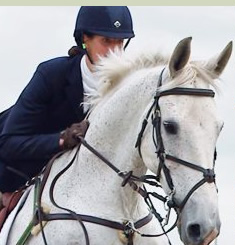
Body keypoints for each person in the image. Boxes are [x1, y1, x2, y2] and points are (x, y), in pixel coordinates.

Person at [0, 6, 134, 207]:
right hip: (12, 179)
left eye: (120, 43)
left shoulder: (124, 89)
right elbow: (9, 144)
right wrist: (61, 140)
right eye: (106, 41)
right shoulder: (51, 75)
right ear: (84, 40)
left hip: (70, 188)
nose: (114, 52)